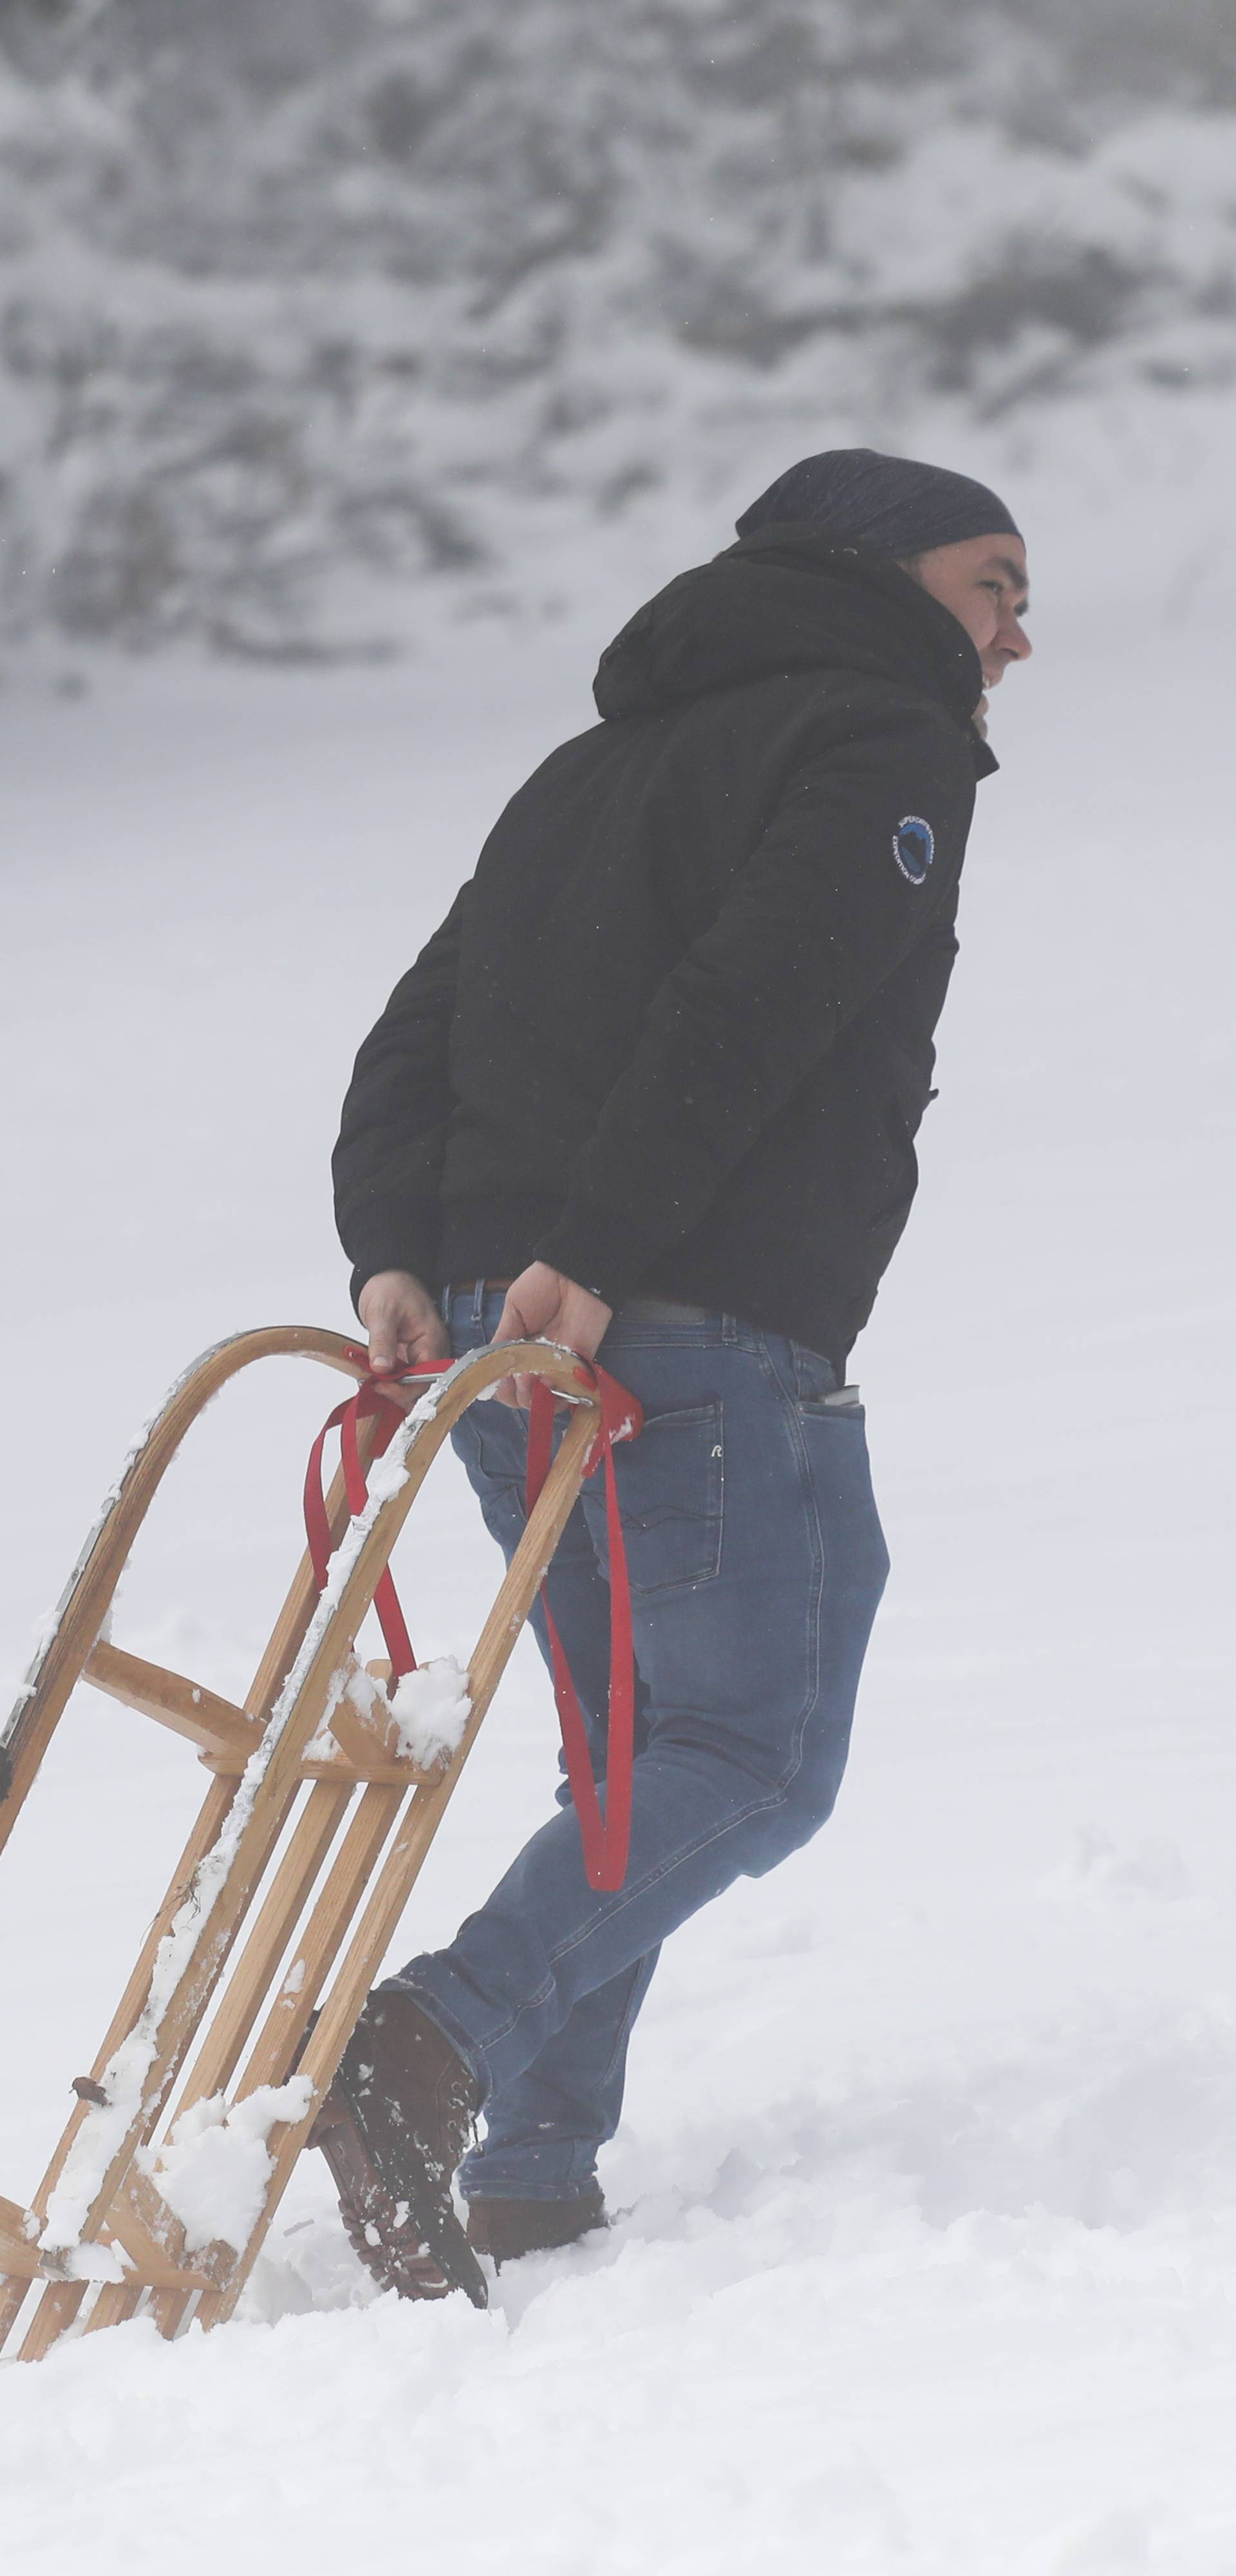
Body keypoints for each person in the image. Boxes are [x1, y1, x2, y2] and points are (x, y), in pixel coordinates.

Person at [319, 447, 1032, 2305]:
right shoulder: (883, 743)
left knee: (634, 1760)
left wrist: (400, 1252)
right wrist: (615, 1248)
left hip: (508, 1326)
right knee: (755, 1752)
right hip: (679, 1314)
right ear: (876, 576)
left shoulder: (584, 773)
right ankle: (427, 2043)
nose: (1018, 638)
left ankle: (536, 2164)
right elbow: (762, 995)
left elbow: (419, 1025)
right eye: (993, 588)